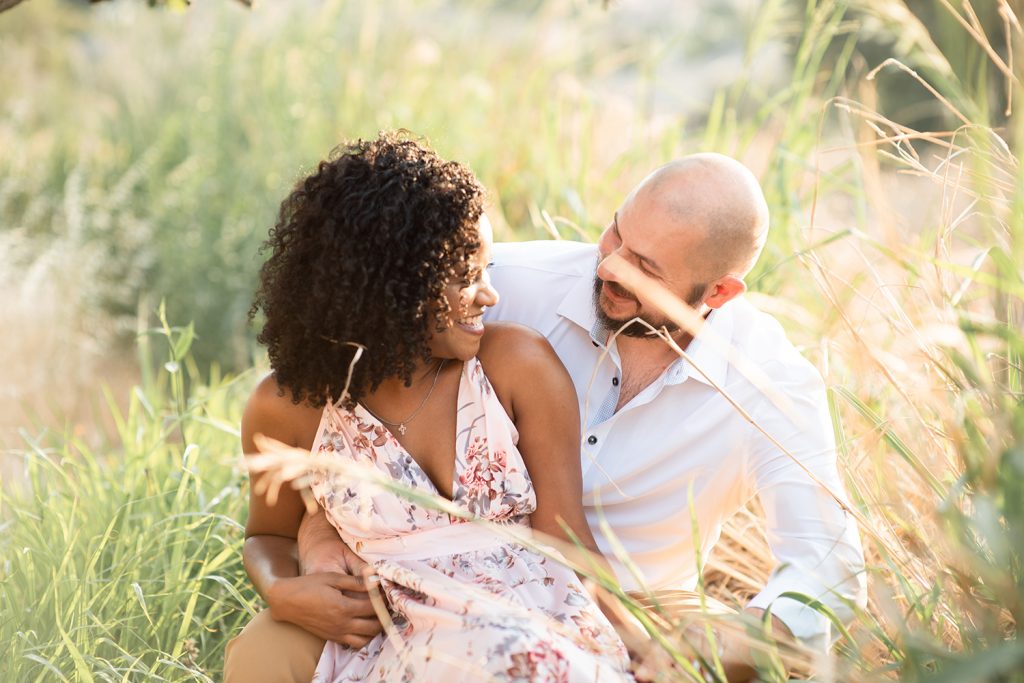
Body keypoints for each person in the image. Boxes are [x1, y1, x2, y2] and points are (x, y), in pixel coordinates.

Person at [226, 152, 867, 682]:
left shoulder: (769, 384)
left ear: (718, 293)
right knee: (266, 654)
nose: (611, 265)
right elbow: (367, 306)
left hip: (613, 600)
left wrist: (725, 642)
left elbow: (828, 565)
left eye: (645, 268)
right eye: (617, 234)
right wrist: (315, 530)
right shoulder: (500, 282)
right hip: (391, 593)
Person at [229, 132, 632, 682]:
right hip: (388, 635)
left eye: (487, 271)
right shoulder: (288, 406)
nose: (489, 294)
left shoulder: (516, 365)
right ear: (391, 287)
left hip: (527, 629)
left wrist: (647, 646)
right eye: (468, 277)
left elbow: (566, 537)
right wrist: (282, 591)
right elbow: (267, 534)